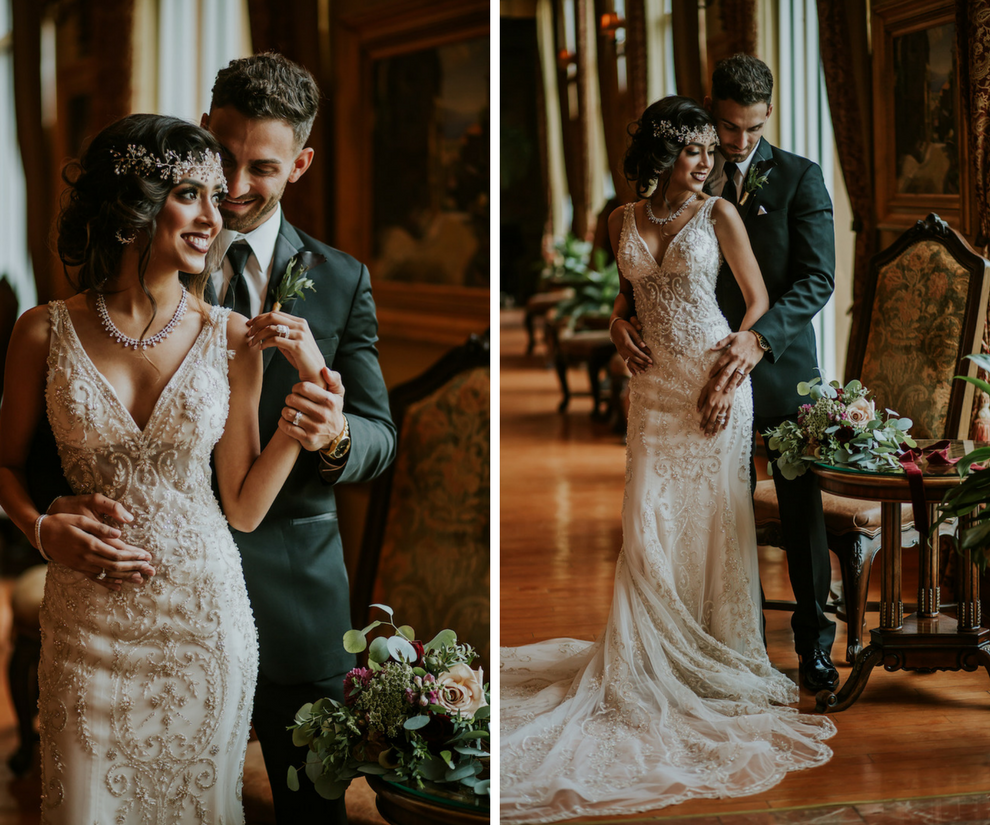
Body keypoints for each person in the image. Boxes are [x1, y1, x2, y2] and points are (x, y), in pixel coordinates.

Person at [26, 54, 397, 824]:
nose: (229, 189)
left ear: (300, 165)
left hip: (285, 601)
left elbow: (377, 434)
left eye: (259, 168)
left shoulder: (339, 279)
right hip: (110, 605)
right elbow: (42, 446)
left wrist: (326, 432)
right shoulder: (74, 313)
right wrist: (46, 518)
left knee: (306, 815)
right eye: (218, 157)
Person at [501, 96, 834, 823]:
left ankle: (710, 655)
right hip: (651, 393)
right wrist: (619, 331)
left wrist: (730, 375)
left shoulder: (719, 216)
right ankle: (647, 660)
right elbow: (627, 299)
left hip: (714, 385)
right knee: (647, 528)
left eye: (711, 152)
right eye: (694, 151)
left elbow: (756, 302)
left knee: (711, 526)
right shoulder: (621, 220)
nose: (708, 161)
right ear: (661, 154)